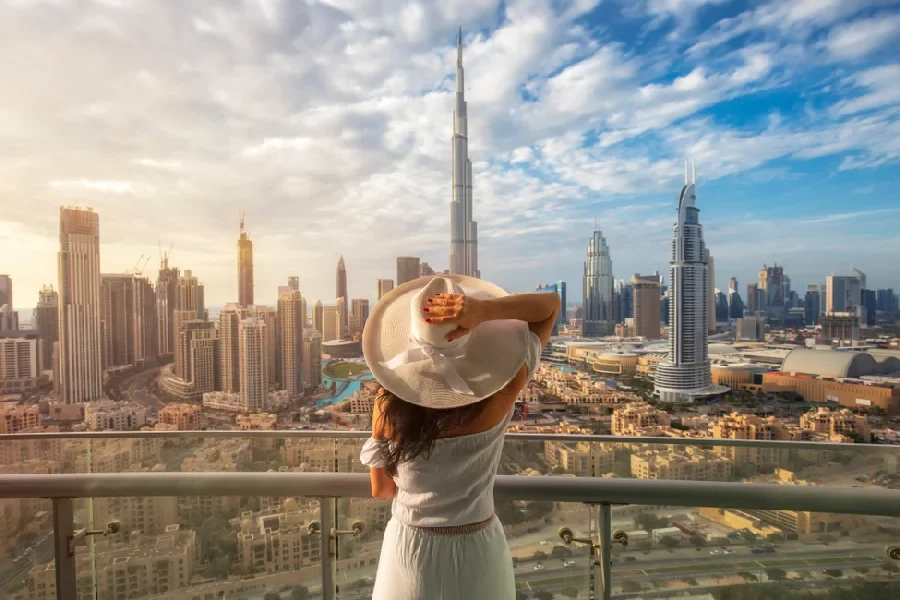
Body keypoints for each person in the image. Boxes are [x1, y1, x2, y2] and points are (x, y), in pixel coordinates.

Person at [360, 275, 560, 599]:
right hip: (477, 548)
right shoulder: (501, 393)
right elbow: (550, 306)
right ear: (469, 334)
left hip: (409, 552)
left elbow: (382, 489)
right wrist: (483, 311)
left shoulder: (387, 404)